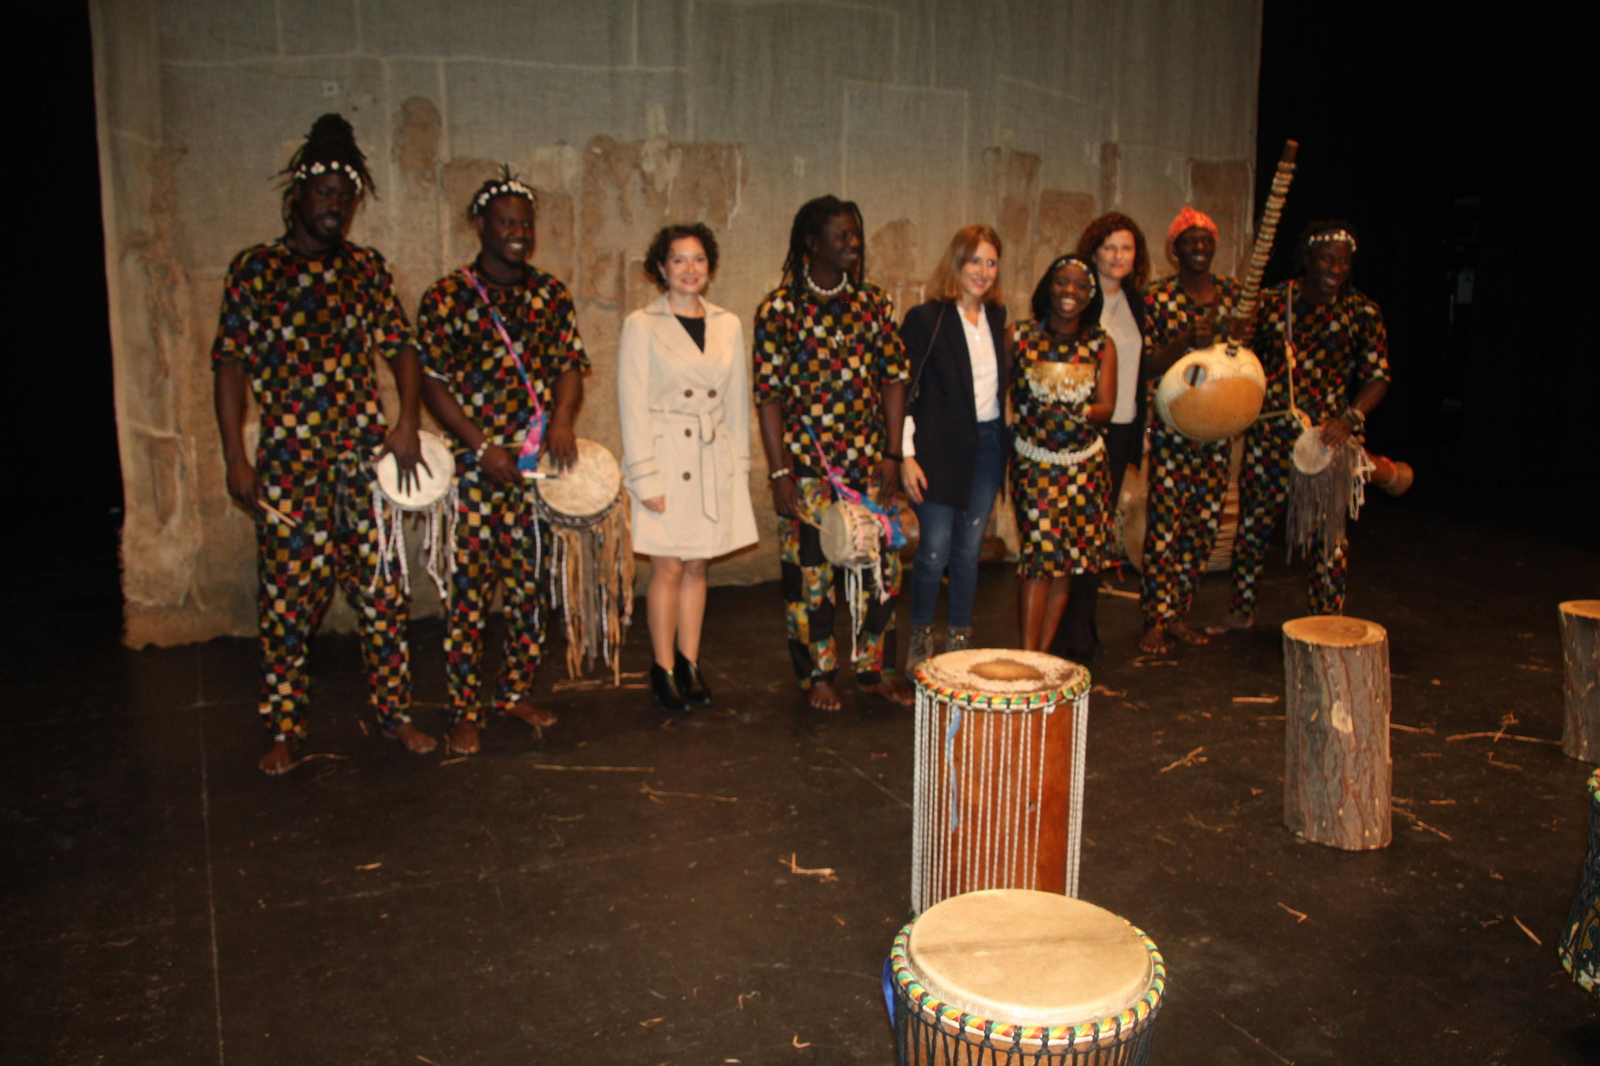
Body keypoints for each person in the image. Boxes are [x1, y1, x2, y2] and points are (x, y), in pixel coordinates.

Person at [210, 114, 435, 775]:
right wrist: (235, 456)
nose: (336, 204)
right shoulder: (257, 269)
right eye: (325, 192)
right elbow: (229, 364)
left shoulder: (365, 269)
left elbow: (402, 348)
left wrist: (406, 421)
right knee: (286, 601)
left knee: (383, 593)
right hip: (288, 464)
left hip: (362, 461)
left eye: (347, 195)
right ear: (299, 195)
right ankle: (285, 728)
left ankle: (394, 715)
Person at [417, 167, 588, 755]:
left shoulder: (550, 294)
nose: (518, 233)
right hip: (475, 468)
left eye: (526, 224)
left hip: (535, 467)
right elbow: (432, 382)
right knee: (468, 593)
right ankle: (465, 709)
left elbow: (569, 364)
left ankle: (514, 691)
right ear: (481, 225)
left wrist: (562, 419)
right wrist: (478, 445)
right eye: (507, 223)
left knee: (530, 588)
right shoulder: (448, 296)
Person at [752, 195, 911, 710]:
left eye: (855, 234)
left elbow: (893, 379)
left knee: (881, 571)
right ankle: (818, 676)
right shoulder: (779, 310)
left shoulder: (873, 304)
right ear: (811, 243)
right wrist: (780, 472)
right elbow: (768, 395)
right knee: (810, 579)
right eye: (841, 235)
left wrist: (892, 453)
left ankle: (874, 671)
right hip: (808, 470)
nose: (853, 243)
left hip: (869, 467)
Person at [1210, 221, 1389, 631]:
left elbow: (1378, 377)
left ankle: (1325, 619)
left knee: (1331, 535)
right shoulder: (1274, 302)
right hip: (1271, 435)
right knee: (1253, 528)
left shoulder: (1362, 311)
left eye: (1343, 262)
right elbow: (1236, 355)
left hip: (1329, 439)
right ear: (1307, 259)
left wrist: (1350, 418)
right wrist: (1236, 334)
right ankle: (1241, 611)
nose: (1335, 269)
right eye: (1326, 259)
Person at [618, 223, 758, 713]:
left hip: (711, 456)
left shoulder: (728, 324)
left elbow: (736, 402)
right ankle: (662, 667)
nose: (689, 268)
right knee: (668, 565)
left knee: (698, 564)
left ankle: (689, 661)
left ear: (709, 267)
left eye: (698, 259)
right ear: (661, 268)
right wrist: (645, 478)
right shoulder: (642, 324)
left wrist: (739, 469)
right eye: (678, 259)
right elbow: (632, 406)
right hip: (665, 456)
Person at [897, 225, 1009, 673]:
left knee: (968, 551)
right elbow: (902, 390)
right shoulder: (926, 319)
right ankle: (921, 639)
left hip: (986, 445)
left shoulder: (997, 318)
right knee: (934, 552)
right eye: (974, 260)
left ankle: (961, 642)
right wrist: (905, 455)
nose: (983, 271)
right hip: (936, 451)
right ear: (957, 262)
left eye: (991, 262)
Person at [1136, 207, 1245, 653]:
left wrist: (1239, 337)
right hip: (1173, 428)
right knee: (1164, 527)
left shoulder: (1233, 295)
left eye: (1206, 240)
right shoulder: (1156, 297)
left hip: (1218, 429)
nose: (1199, 248)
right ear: (1174, 249)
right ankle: (1154, 620)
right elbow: (1145, 366)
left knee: (1202, 528)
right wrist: (1184, 343)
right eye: (1189, 241)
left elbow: (1248, 358)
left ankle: (1177, 615)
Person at [1050, 213, 1150, 665]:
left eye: (1126, 248)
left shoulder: (1135, 302)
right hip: (1082, 428)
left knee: (1097, 534)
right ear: (1093, 251)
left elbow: (1140, 372)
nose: (1117, 256)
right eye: (1109, 247)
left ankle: (1083, 626)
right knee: (1072, 531)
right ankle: (1064, 631)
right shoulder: (1079, 299)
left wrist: (1141, 432)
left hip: (1121, 427)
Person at [1009, 256, 1117, 652]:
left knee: (1067, 563)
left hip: (1085, 468)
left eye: (1080, 285)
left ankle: (1042, 655)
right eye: (1061, 282)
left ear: (1090, 296)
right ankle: (1027, 655)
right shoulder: (1019, 336)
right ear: (1048, 287)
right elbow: (994, 392)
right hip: (1035, 465)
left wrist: (1078, 410)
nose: (1069, 291)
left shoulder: (1101, 343)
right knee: (1039, 560)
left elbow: (1107, 406)